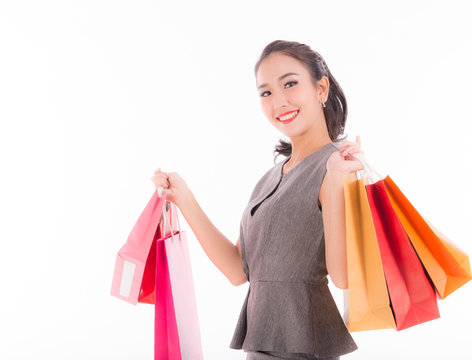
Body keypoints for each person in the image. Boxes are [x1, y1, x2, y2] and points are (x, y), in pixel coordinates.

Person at [151, 40, 365, 359]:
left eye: (290, 84)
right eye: (266, 93)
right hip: (261, 344)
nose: (279, 102)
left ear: (321, 89)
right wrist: (183, 196)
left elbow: (342, 276)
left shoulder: (337, 166)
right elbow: (239, 270)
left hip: (304, 344)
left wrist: (336, 179)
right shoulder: (270, 177)